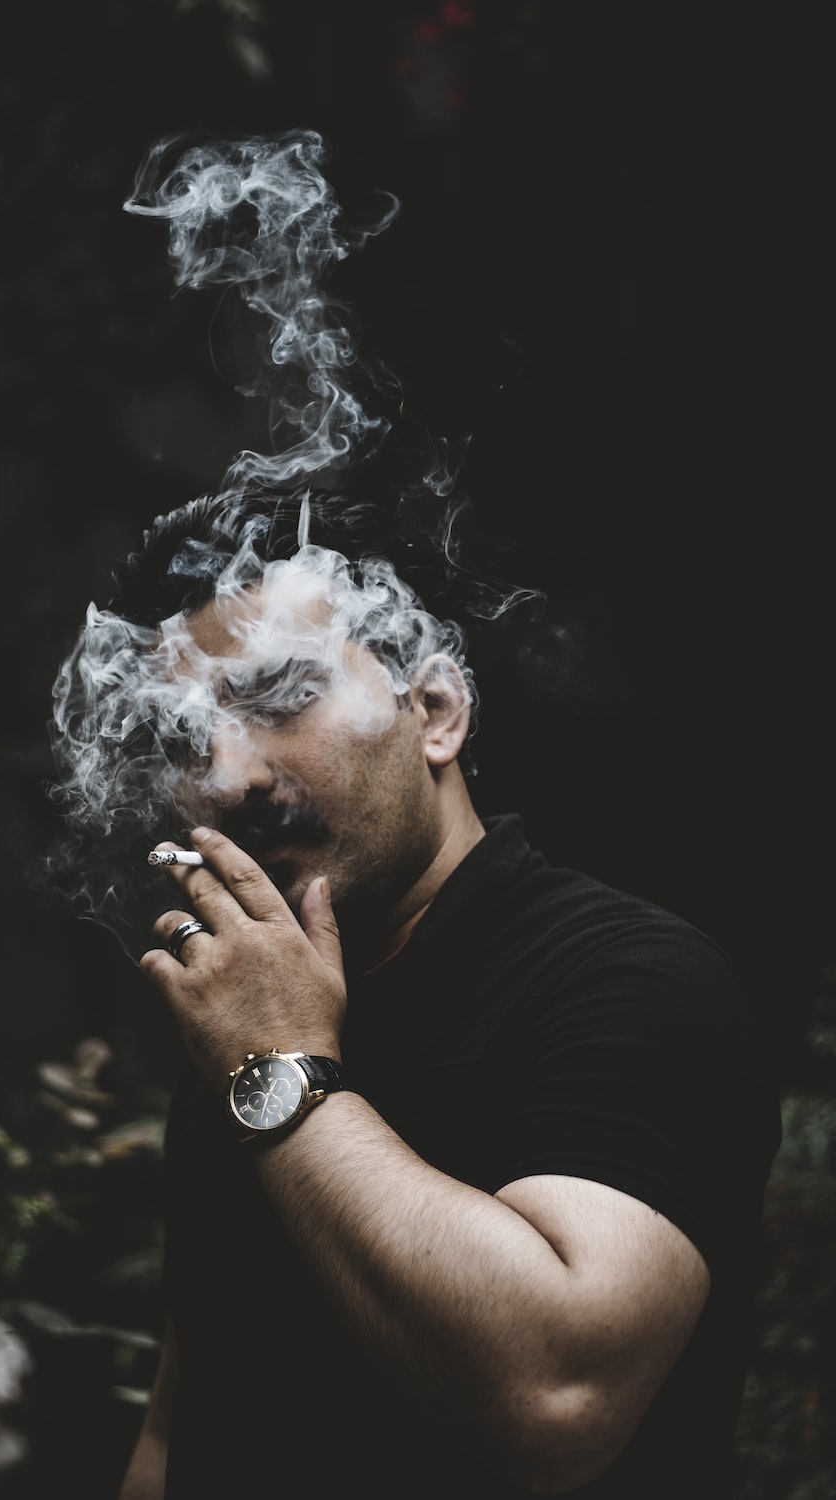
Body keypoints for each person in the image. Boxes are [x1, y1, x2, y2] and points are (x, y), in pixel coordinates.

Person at [49, 490, 780, 1499]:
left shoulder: (633, 980)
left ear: (433, 711)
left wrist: (282, 1074)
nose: (226, 775)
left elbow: (555, 1396)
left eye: (277, 695)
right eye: (183, 738)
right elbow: (183, 1429)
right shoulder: (243, 1024)